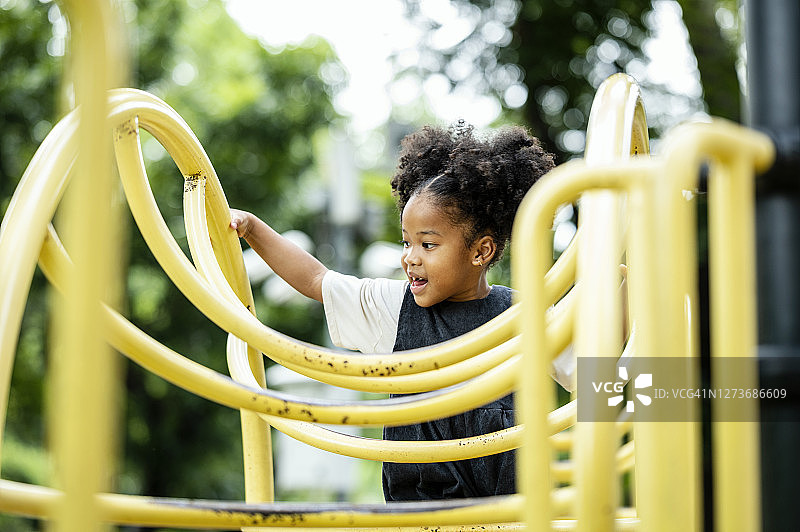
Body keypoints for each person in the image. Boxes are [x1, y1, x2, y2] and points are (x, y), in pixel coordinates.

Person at [230, 121, 555, 501]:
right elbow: (318, 280)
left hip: (509, 514)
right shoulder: (394, 309)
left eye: (428, 245)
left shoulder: (523, 315)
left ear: (480, 251)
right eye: (406, 242)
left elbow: (596, 366)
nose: (409, 258)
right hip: (419, 515)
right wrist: (254, 229)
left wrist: (623, 292)